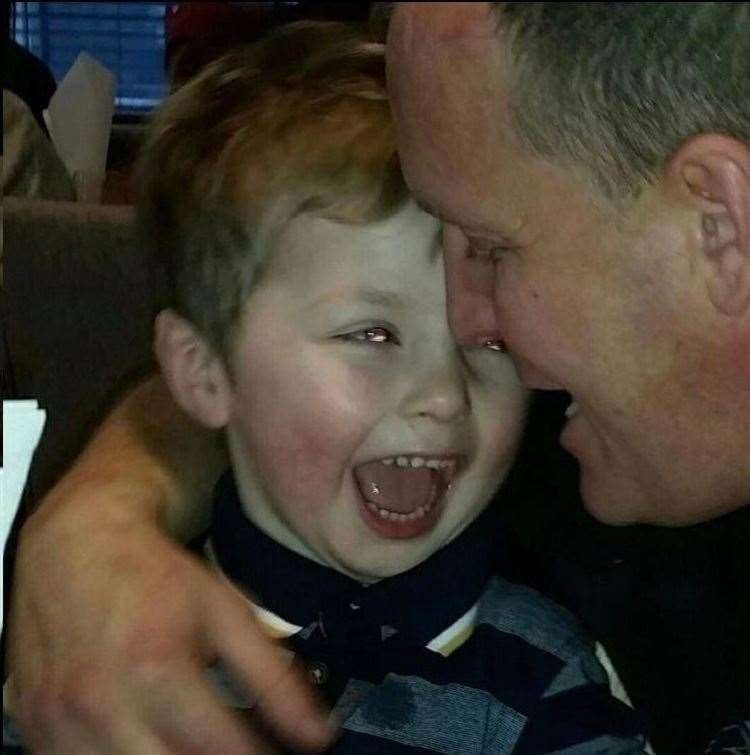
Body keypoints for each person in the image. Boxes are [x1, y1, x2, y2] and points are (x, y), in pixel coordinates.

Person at [6, 2, 749, 753]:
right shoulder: (589, 437)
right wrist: (102, 514)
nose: (449, 377)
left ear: (720, 228)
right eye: (374, 334)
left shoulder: (543, 657)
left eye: (492, 246)